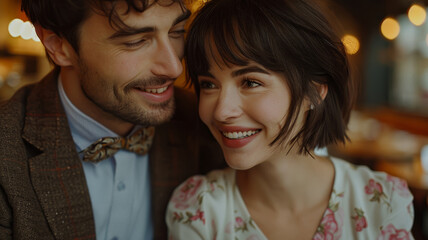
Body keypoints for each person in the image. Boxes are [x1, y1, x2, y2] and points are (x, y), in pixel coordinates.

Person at [166, 0, 414, 239]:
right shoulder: (199, 211)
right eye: (209, 84)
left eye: (251, 82)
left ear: (314, 92)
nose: (221, 111)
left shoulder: (381, 203)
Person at [0, 0, 224, 239]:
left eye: (177, 32)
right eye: (135, 41)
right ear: (59, 46)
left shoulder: (208, 122)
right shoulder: (7, 153)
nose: (173, 68)